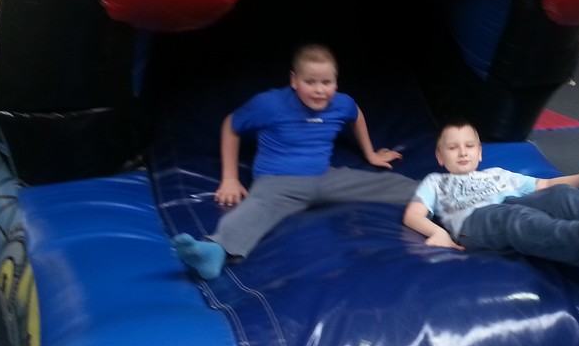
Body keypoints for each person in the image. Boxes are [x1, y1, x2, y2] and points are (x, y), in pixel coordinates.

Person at [172, 43, 416, 279]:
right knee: (254, 210)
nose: (319, 90)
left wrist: (371, 154)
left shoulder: (341, 103)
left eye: (326, 83)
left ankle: (436, 195)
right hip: (277, 182)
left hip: (324, 177)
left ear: (335, 82)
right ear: (294, 80)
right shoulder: (269, 104)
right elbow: (231, 124)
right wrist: (230, 178)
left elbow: (355, 114)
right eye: (310, 82)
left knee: (388, 184)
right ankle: (214, 251)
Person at [403, 121, 579, 266]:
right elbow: (413, 215)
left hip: (510, 201)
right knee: (515, 217)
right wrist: (438, 233)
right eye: (453, 148)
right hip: (474, 222)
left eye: (469, 146)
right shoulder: (436, 181)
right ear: (440, 157)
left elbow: (544, 186)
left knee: (560, 196)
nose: (462, 152)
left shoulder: (497, 173)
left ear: (480, 152)